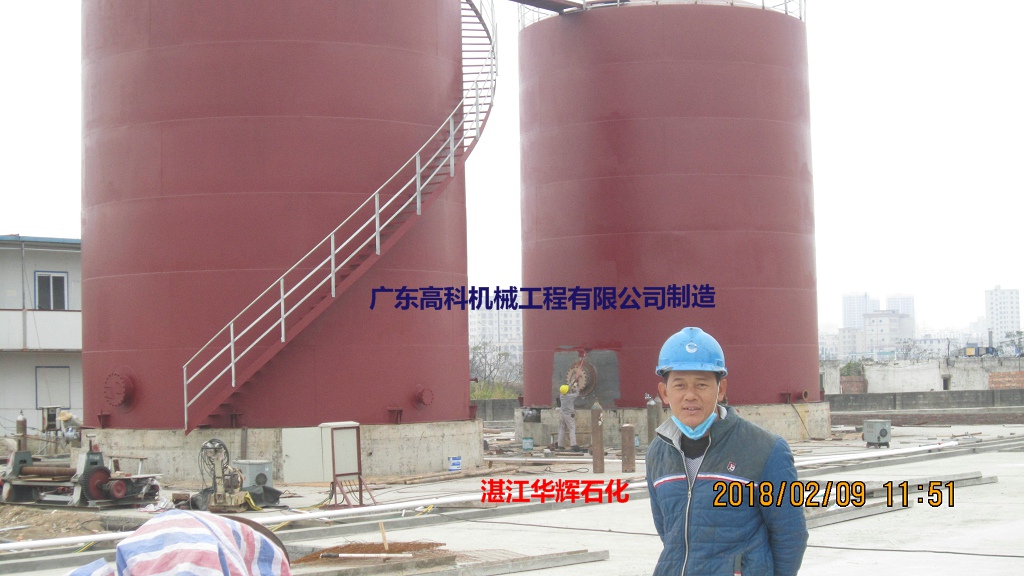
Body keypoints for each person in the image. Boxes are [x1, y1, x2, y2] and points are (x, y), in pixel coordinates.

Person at [645, 327, 807, 575]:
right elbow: (669, 533)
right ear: (665, 393)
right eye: (679, 385)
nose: (690, 395)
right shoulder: (657, 453)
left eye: (702, 384)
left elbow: (791, 535)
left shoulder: (766, 450)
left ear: (720, 390)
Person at [557, 381, 582, 452]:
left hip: (562, 414)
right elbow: (577, 393)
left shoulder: (562, 395)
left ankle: (560, 445)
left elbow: (567, 388)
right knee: (572, 429)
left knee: (562, 429)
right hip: (569, 415)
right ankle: (573, 445)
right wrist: (576, 386)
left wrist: (572, 382)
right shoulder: (570, 396)